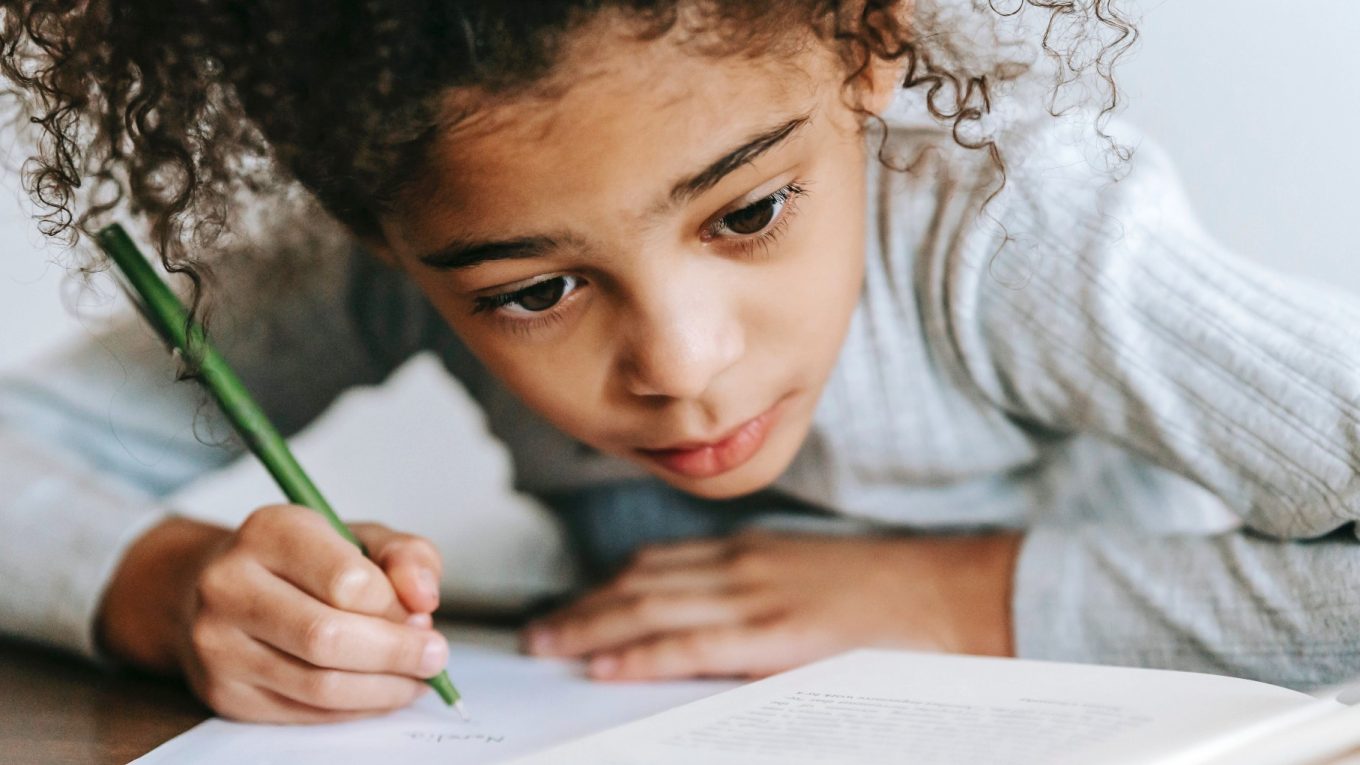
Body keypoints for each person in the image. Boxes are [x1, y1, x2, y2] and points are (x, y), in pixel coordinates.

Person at [2, 0, 1358, 725]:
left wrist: (968, 596)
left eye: (751, 212)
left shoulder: (1011, 234)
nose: (681, 363)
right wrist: (163, 586)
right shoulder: (396, 252)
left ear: (868, 39)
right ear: (374, 223)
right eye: (534, 290)